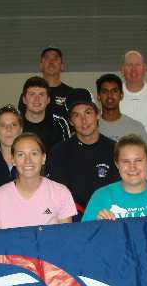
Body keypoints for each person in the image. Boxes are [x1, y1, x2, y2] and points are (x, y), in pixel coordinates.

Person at [46, 88, 120, 216]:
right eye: (76, 115)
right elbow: (58, 197)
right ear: (70, 121)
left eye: (88, 112)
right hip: (72, 219)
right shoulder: (59, 152)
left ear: (97, 115)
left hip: (109, 217)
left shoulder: (114, 149)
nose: (83, 120)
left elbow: (121, 190)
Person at [83, 134, 147, 221]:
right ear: (117, 164)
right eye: (126, 161)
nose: (132, 167)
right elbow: (85, 235)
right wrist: (97, 226)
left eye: (138, 160)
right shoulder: (101, 197)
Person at [0, 132, 77, 229]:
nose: (28, 160)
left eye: (34, 154)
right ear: (13, 160)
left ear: (43, 158)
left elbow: (66, 235)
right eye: (21, 155)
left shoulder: (61, 193)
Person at [21, 76, 71, 152]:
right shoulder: (15, 123)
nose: (37, 99)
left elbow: (67, 153)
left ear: (48, 100)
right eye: (32, 94)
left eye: (41, 94)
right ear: (24, 99)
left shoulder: (60, 123)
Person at [95, 73, 147, 143]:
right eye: (105, 92)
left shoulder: (136, 128)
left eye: (114, 91)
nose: (109, 95)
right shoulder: (90, 128)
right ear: (98, 96)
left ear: (121, 95)